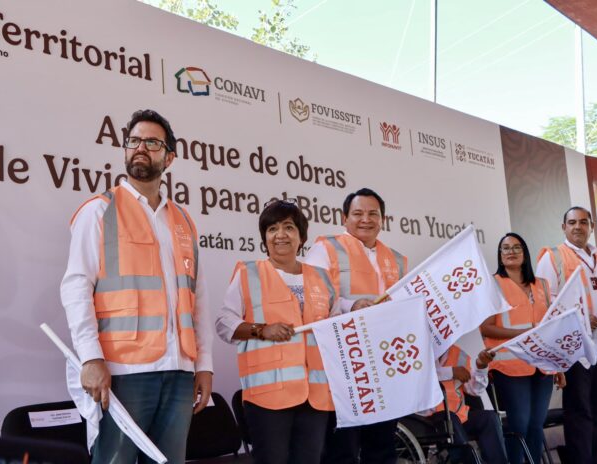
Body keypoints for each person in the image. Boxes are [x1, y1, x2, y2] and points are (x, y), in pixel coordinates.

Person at [61, 109, 213, 463]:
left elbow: (197, 300)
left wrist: (203, 364)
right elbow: (75, 288)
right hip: (123, 373)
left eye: (152, 142)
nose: (140, 147)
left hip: (178, 374)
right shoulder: (99, 212)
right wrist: (90, 357)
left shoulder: (184, 222)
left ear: (169, 157)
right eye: (133, 141)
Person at [216, 199, 339, 464]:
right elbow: (224, 324)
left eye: (288, 227)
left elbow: (337, 326)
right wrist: (262, 330)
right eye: (272, 229)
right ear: (264, 238)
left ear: (301, 236)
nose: (280, 235)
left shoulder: (323, 278)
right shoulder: (248, 273)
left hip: (315, 397)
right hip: (268, 398)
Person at [304, 187, 407, 464]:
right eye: (358, 213)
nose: (366, 219)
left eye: (373, 214)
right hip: (344, 364)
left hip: (383, 363)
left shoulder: (396, 259)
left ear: (382, 219)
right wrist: (351, 305)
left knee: (382, 445)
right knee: (343, 449)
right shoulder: (326, 248)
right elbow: (314, 298)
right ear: (344, 218)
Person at [536, 206, 597, 464]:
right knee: (579, 410)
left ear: (591, 226)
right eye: (572, 222)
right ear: (563, 227)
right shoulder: (553, 257)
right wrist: (579, 318)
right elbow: (546, 303)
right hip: (575, 345)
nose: (578, 227)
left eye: (583, 222)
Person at [480, 232, 565, 464]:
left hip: (543, 366)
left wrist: (559, 366)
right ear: (500, 255)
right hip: (510, 366)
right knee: (520, 425)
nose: (511, 252)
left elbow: (551, 328)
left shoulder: (543, 286)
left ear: (525, 253)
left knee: (537, 426)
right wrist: (524, 334)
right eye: (505, 248)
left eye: (516, 247)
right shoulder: (492, 285)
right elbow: (485, 328)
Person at [425, 346, 508, 464]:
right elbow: (416, 375)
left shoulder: (458, 354)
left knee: (489, 417)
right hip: (428, 417)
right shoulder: (417, 351)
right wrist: (450, 372)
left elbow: (474, 390)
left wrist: (481, 367)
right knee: (449, 418)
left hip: (459, 415)